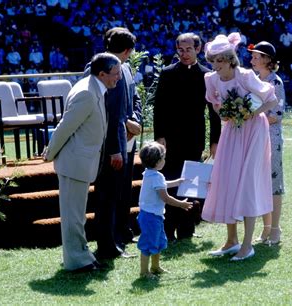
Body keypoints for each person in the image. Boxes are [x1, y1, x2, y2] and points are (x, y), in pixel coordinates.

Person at [42, 53, 122, 272]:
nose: (118, 78)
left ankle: (83, 255)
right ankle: (77, 262)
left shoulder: (93, 87)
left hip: (82, 162)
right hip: (74, 163)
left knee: (77, 216)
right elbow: (65, 126)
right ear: (102, 74)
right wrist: (49, 153)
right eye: (115, 74)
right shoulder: (87, 92)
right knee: (73, 217)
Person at [202, 33, 278, 261]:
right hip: (232, 131)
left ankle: (247, 244)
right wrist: (225, 111)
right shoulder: (212, 79)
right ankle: (231, 240)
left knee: (247, 182)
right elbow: (215, 105)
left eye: (220, 60)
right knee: (227, 179)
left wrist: (249, 113)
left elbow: (271, 100)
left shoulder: (244, 75)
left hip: (254, 131)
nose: (216, 65)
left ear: (229, 58)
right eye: (213, 60)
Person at [153, 32, 221, 241]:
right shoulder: (167, 73)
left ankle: (187, 228)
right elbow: (159, 108)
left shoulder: (207, 75)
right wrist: (160, 136)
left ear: (198, 50)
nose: (184, 54)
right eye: (180, 50)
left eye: (189, 49)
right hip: (170, 139)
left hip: (195, 137)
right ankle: (168, 228)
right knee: (171, 182)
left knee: (191, 184)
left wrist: (214, 141)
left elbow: (213, 111)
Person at [86, 27, 142, 260]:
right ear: (128, 50)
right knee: (107, 195)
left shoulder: (127, 68)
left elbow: (135, 98)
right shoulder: (97, 68)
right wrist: (114, 148)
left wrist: (135, 120)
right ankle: (107, 245)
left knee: (121, 192)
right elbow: (104, 113)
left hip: (127, 139)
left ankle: (120, 234)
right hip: (111, 144)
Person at [137, 142, 193, 278]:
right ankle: (144, 272)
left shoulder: (149, 174)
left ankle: (155, 267)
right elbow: (165, 198)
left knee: (157, 241)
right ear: (157, 162)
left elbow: (163, 184)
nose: (164, 160)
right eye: (163, 158)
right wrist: (181, 204)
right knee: (148, 243)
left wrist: (177, 181)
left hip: (151, 215)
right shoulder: (156, 176)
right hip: (151, 217)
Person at [249, 41, 285, 245]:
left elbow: (276, 114)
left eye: (256, 56)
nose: (252, 59)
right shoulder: (253, 80)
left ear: (267, 60)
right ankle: (265, 228)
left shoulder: (275, 82)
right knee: (260, 184)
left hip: (271, 137)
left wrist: (250, 117)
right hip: (256, 136)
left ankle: (275, 228)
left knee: (274, 183)